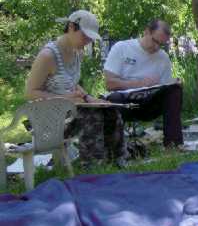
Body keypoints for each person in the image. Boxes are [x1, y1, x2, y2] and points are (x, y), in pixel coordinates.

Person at [25, 10, 127, 166]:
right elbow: (30, 93)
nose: (87, 41)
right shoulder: (48, 56)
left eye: (90, 38)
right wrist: (65, 98)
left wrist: (89, 98)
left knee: (110, 109)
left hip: (69, 111)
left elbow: (70, 82)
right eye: (85, 36)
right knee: (91, 115)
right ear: (71, 27)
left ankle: (116, 159)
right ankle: (92, 165)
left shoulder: (78, 53)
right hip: (46, 118)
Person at [103, 19, 183, 147]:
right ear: (146, 32)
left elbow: (164, 87)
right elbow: (109, 83)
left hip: (149, 104)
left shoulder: (163, 57)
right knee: (113, 99)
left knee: (175, 90)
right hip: (124, 102)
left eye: (161, 44)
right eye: (155, 41)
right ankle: (114, 149)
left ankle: (173, 144)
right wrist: (140, 83)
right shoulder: (122, 48)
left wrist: (173, 83)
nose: (157, 47)